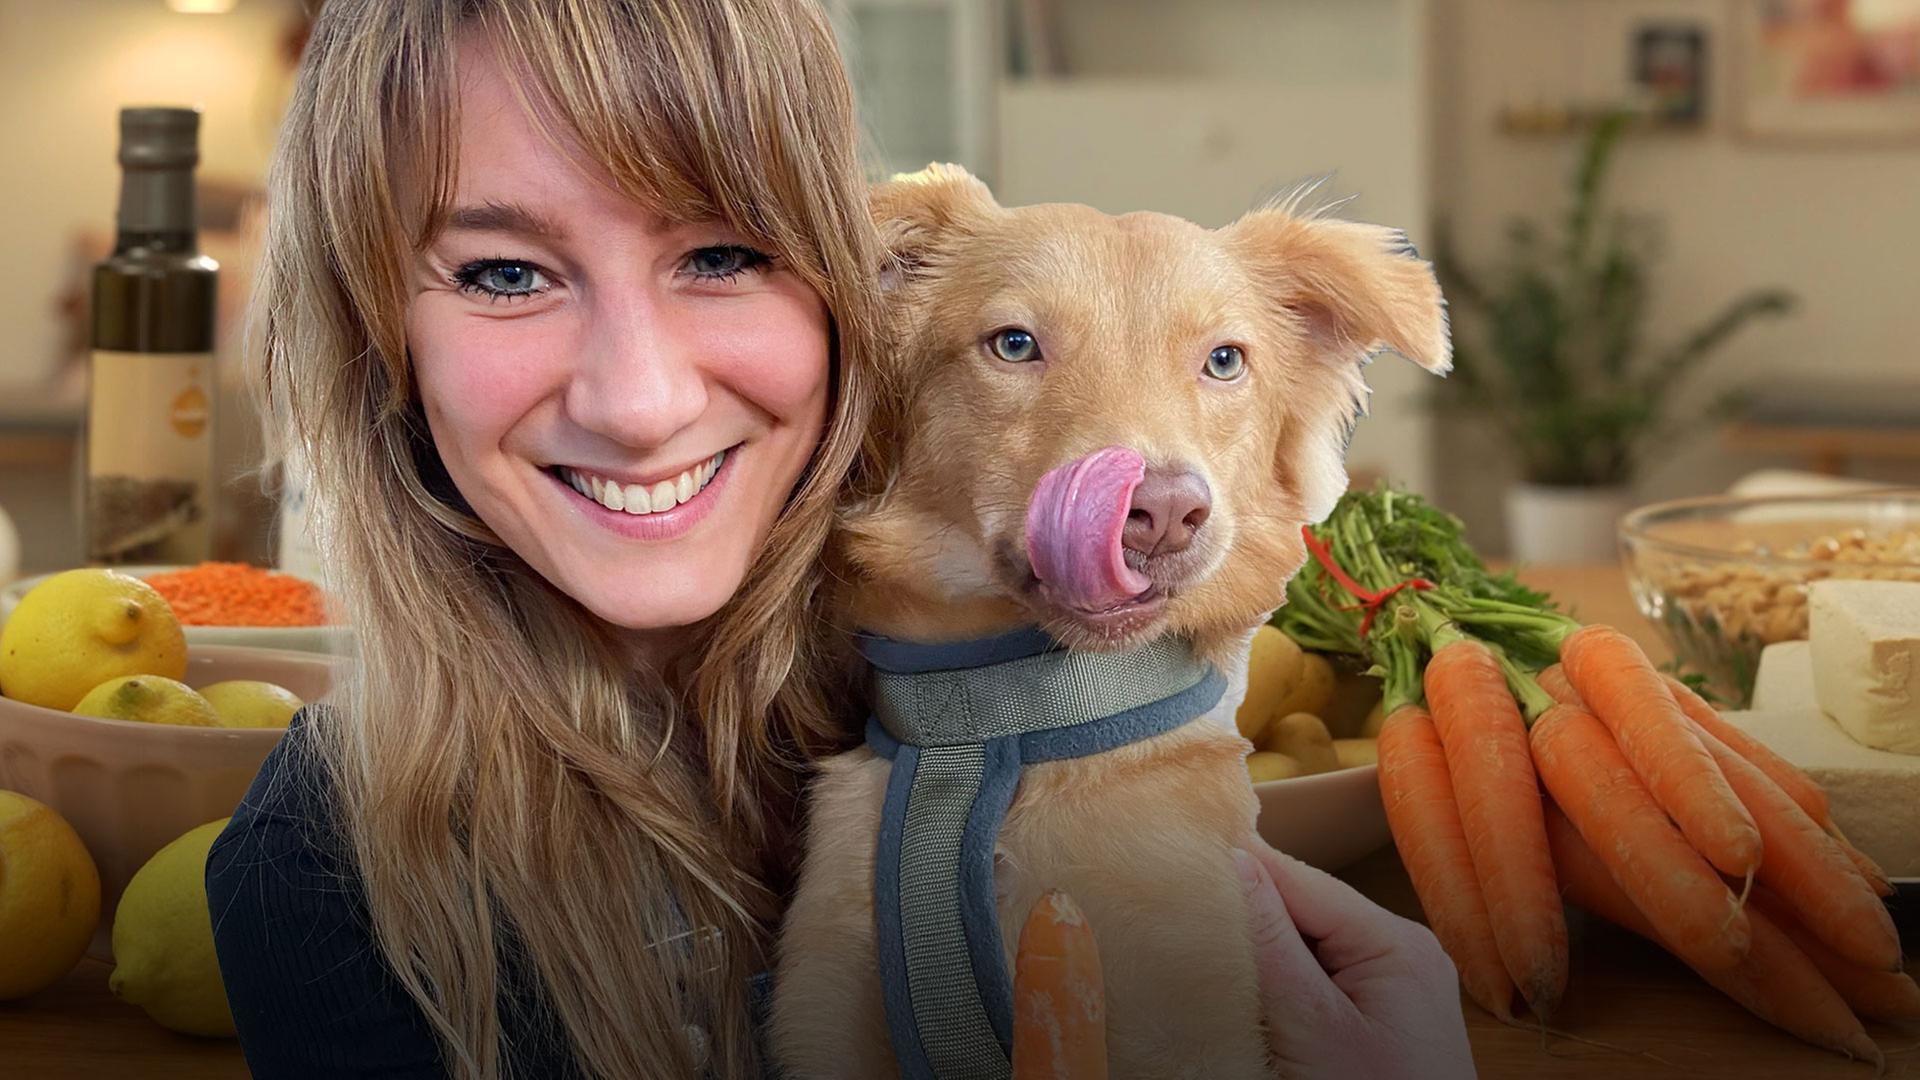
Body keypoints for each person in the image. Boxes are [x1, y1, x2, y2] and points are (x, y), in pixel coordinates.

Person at [205, 2, 1474, 1077]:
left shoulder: (1002, 714)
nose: (638, 402)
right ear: (373, 333)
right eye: (502, 273)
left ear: (837, 295)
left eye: (721, 254)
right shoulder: (327, 876)